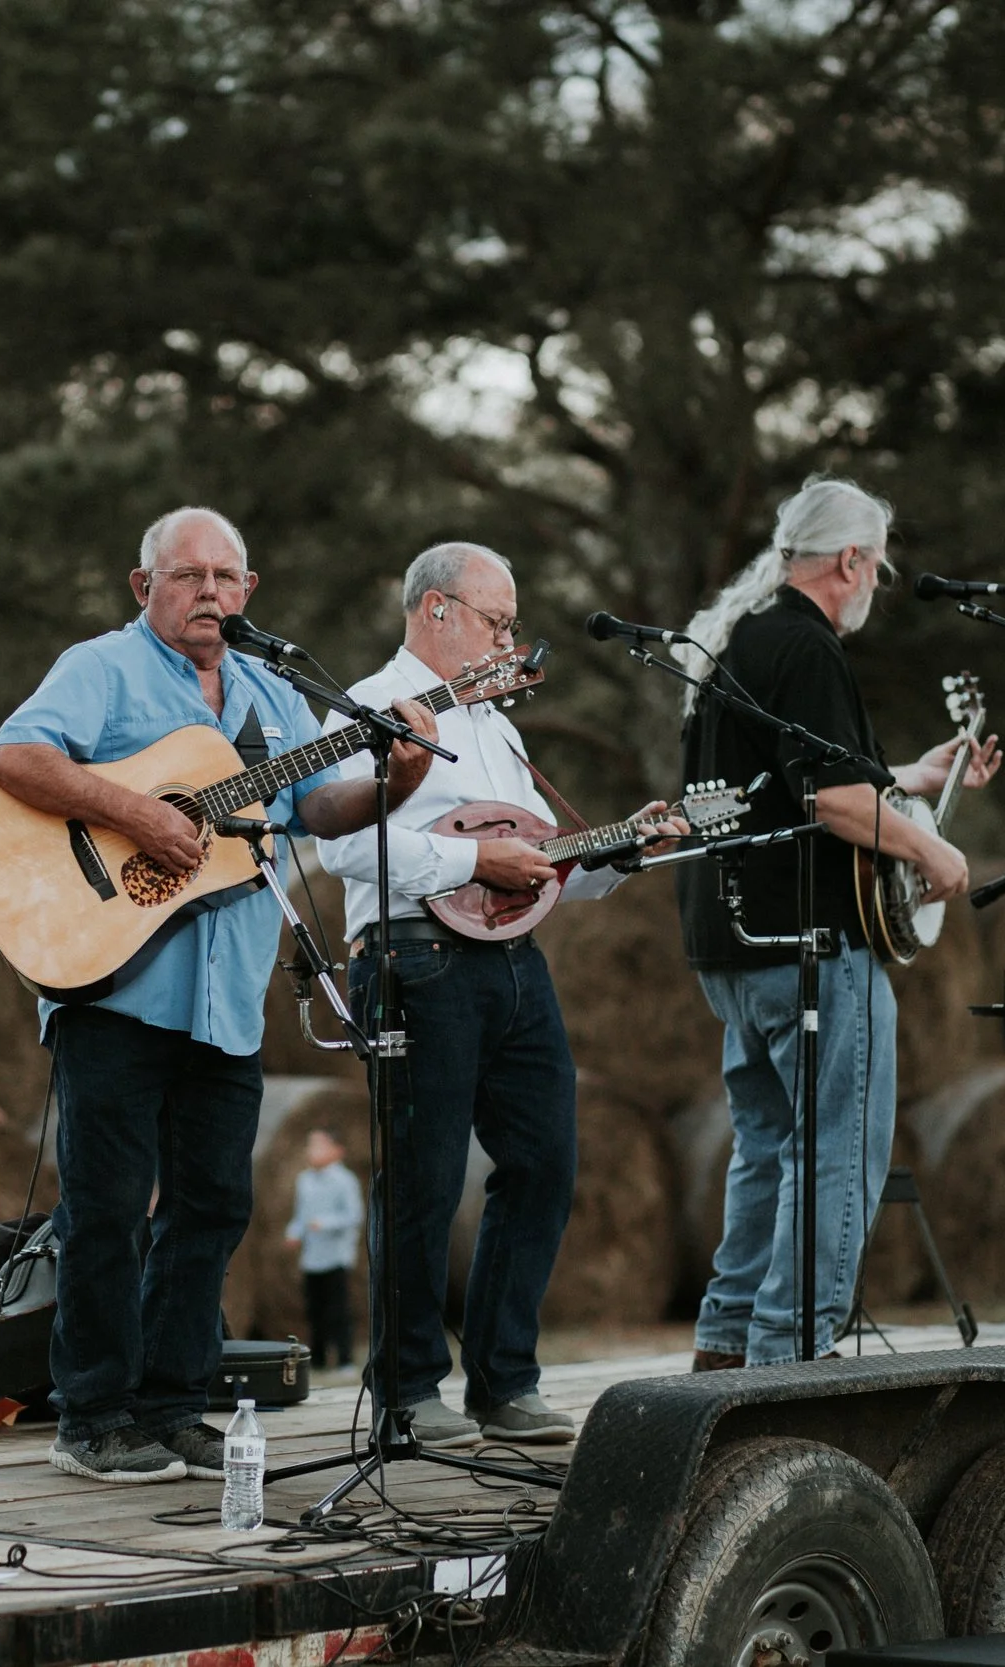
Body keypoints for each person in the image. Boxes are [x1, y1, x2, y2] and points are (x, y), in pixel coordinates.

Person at [0, 507, 438, 1484]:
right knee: (104, 1205)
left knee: (212, 1204)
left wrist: (395, 779)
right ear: (142, 585)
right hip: (115, 986)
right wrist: (135, 810)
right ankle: (93, 1411)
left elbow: (320, 808)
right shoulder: (101, 666)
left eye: (224, 577)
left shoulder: (273, 687)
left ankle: (173, 1400)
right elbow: (13, 758)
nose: (207, 592)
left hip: (228, 997)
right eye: (185, 575)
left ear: (249, 590)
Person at [315, 543, 682, 1447]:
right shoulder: (365, 705)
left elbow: (545, 866)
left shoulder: (500, 729)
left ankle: (504, 1381)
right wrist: (476, 857)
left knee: (546, 1164)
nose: (511, 641)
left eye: (511, 624)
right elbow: (340, 850)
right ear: (437, 610)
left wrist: (623, 851)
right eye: (498, 621)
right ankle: (403, 1393)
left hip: (516, 964)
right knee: (424, 1181)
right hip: (414, 961)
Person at [673, 477, 1002, 1369]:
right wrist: (935, 856)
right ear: (851, 560)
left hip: (733, 942)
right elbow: (831, 800)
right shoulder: (808, 648)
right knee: (838, 1148)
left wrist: (916, 781)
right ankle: (793, 1351)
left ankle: (728, 1338)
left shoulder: (739, 639)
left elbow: (790, 782)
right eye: (878, 567)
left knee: (766, 1143)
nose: (876, 584)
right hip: (810, 946)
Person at [283, 1129, 363, 1370]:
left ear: (337, 1151)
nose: (311, 1151)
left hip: (336, 1255)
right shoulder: (304, 1180)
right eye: (310, 1145)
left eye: (319, 1146)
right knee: (314, 1310)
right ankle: (317, 1359)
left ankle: (345, 1359)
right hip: (311, 1256)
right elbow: (300, 1215)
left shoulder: (345, 1180)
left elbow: (354, 1215)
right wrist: (293, 1233)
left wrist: (325, 1223)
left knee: (338, 1309)